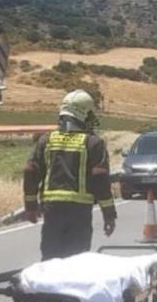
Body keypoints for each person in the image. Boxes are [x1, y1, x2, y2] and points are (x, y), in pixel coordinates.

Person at [23, 90, 116, 260]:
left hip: (51, 209)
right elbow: (100, 179)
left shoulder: (46, 140)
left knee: (50, 260)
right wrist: (109, 215)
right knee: (76, 261)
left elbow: (30, 171)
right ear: (84, 115)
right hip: (79, 211)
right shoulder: (93, 143)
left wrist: (30, 207)